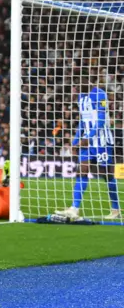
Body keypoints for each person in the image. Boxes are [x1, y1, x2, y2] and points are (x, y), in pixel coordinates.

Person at [56, 81, 120, 220]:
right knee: (81, 171)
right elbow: (83, 121)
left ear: (88, 81)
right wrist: (75, 140)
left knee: (107, 175)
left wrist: (89, 137)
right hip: (86, 142)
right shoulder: (81, 97)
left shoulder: (100, 94)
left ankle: (115, 208)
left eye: (78, 84)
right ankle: (74, 208)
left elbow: (101, 120)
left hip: (102, 141)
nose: (76, 87)